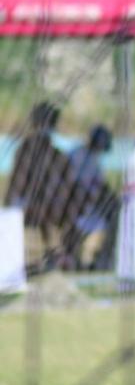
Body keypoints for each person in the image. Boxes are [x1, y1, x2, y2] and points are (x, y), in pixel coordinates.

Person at [8, 102, 73, 267]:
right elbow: (18, 183)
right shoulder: (26, 150)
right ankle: (52, 253)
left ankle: (55, 253)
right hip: (26, 203)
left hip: (49, 205)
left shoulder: (56, 154)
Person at [65, 124, 120, 270]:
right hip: (77, 204)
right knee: (84, 233)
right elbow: (73, 184)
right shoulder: (78, 155)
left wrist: (112, 198)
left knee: (100, 230)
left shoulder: (93, 158)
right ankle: (80, 262)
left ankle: (89, 262)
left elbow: (101, 185)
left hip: (92, 205)